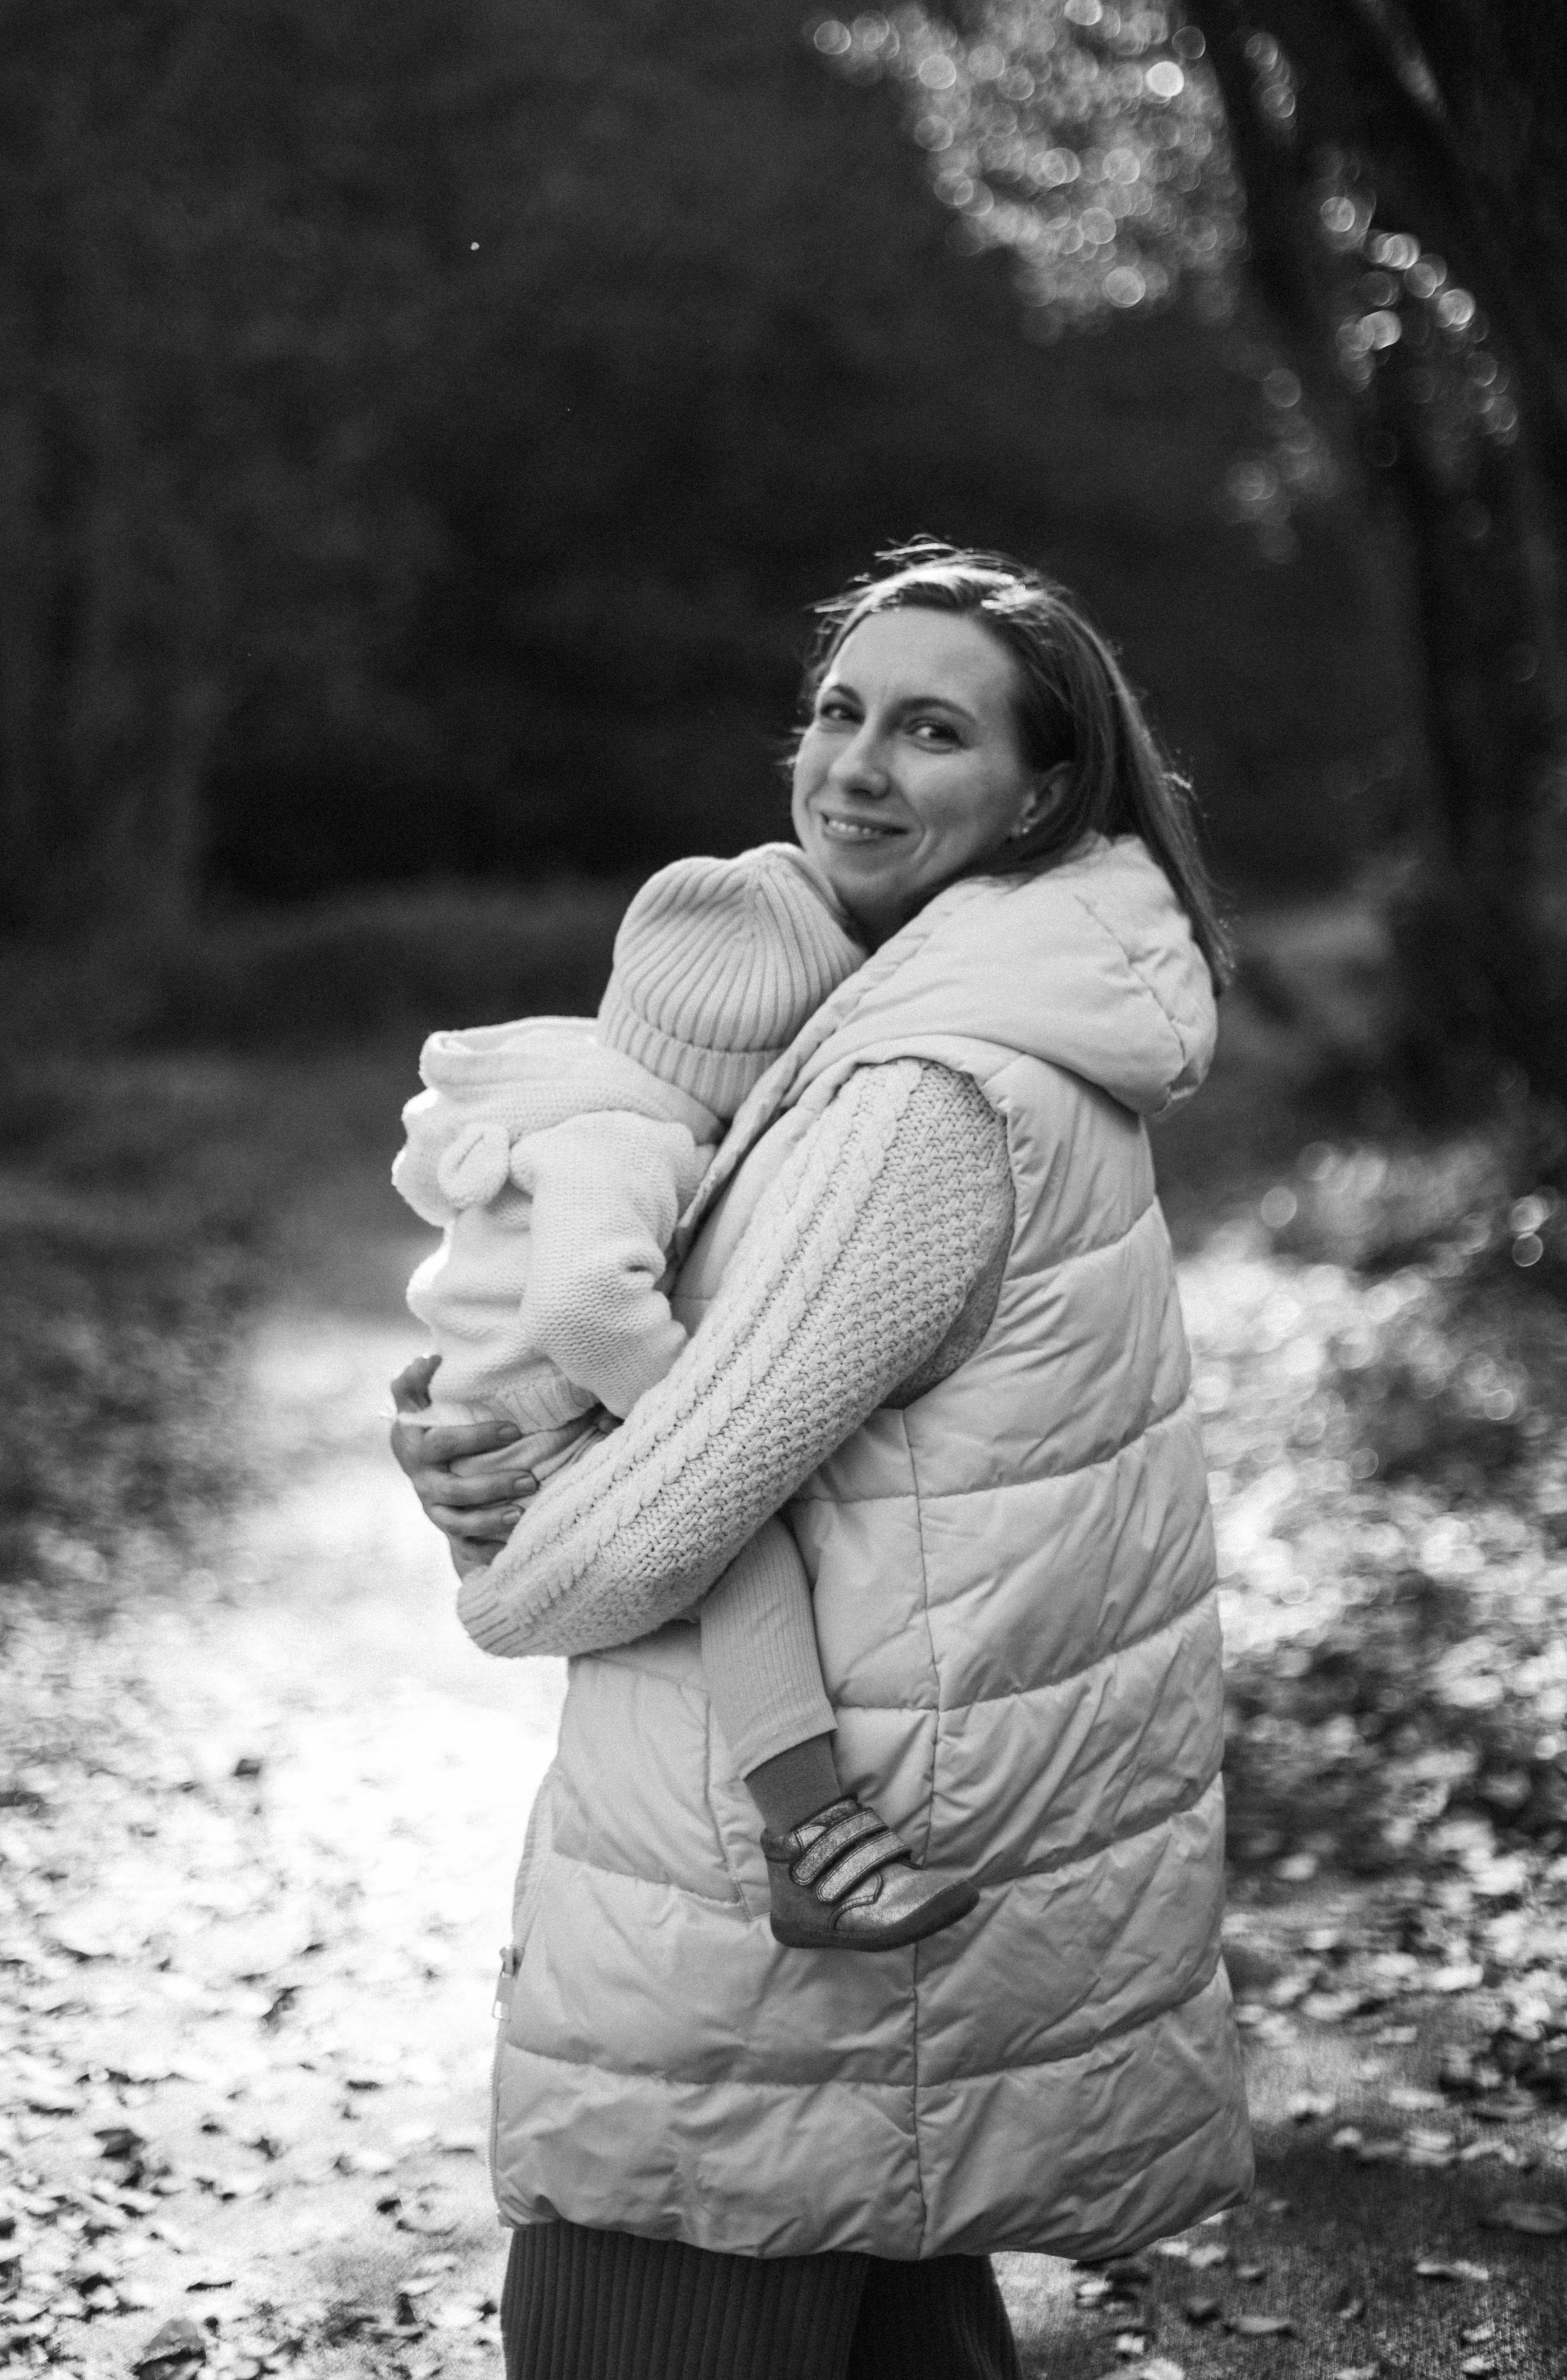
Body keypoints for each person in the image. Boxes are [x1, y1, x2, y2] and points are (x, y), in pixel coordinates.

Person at [392, 543, 1253, 2380]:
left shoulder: (928, 1099)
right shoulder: (913, 1031)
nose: (854, 764)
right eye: (839, 712)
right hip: (840, 1939)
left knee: (641, 2316)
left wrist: (502, 1541)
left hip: (763, 1949)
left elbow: (664, 1509)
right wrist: (486, 1439)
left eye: (930, 730)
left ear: (1040, 791)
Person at [391, 844, 977, 1949]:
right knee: (737, 1539)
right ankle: (809, 1837)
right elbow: (577, 1305)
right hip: (543, 1426)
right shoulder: (631, 1135)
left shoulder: (565, 1078)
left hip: (486, 1408)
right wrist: (685, 1410)